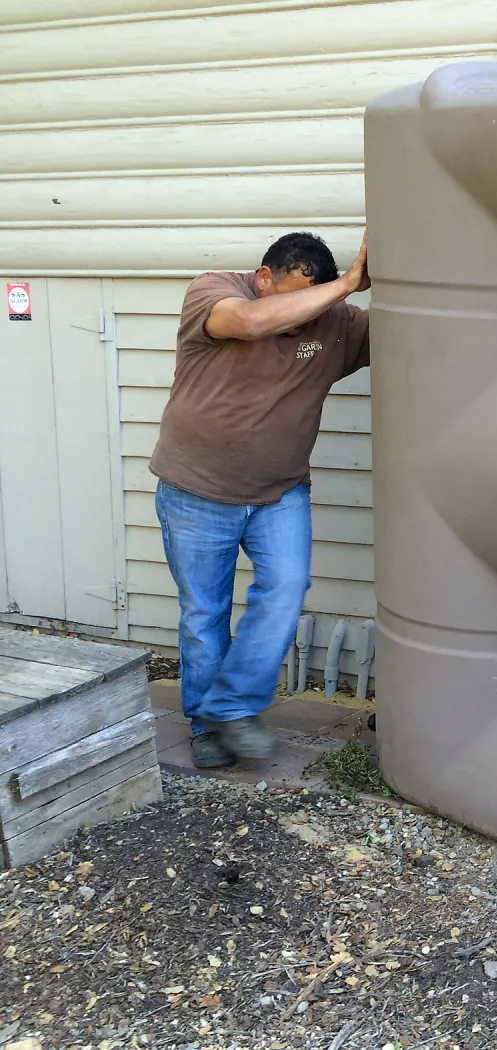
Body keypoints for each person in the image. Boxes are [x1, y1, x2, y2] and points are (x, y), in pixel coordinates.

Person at [149, 232, 371, 769]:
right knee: (205, 613)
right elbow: (249, 321)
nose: (296, 321)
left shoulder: (336, 322)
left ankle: (229, 706)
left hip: (279, 493)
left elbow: (419, 332)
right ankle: (207, 727)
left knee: (287, 587)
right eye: (289, 304)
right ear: (265, 277)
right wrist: (346, 285)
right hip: (196, 490)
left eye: (311, 307)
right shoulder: (214, 290)